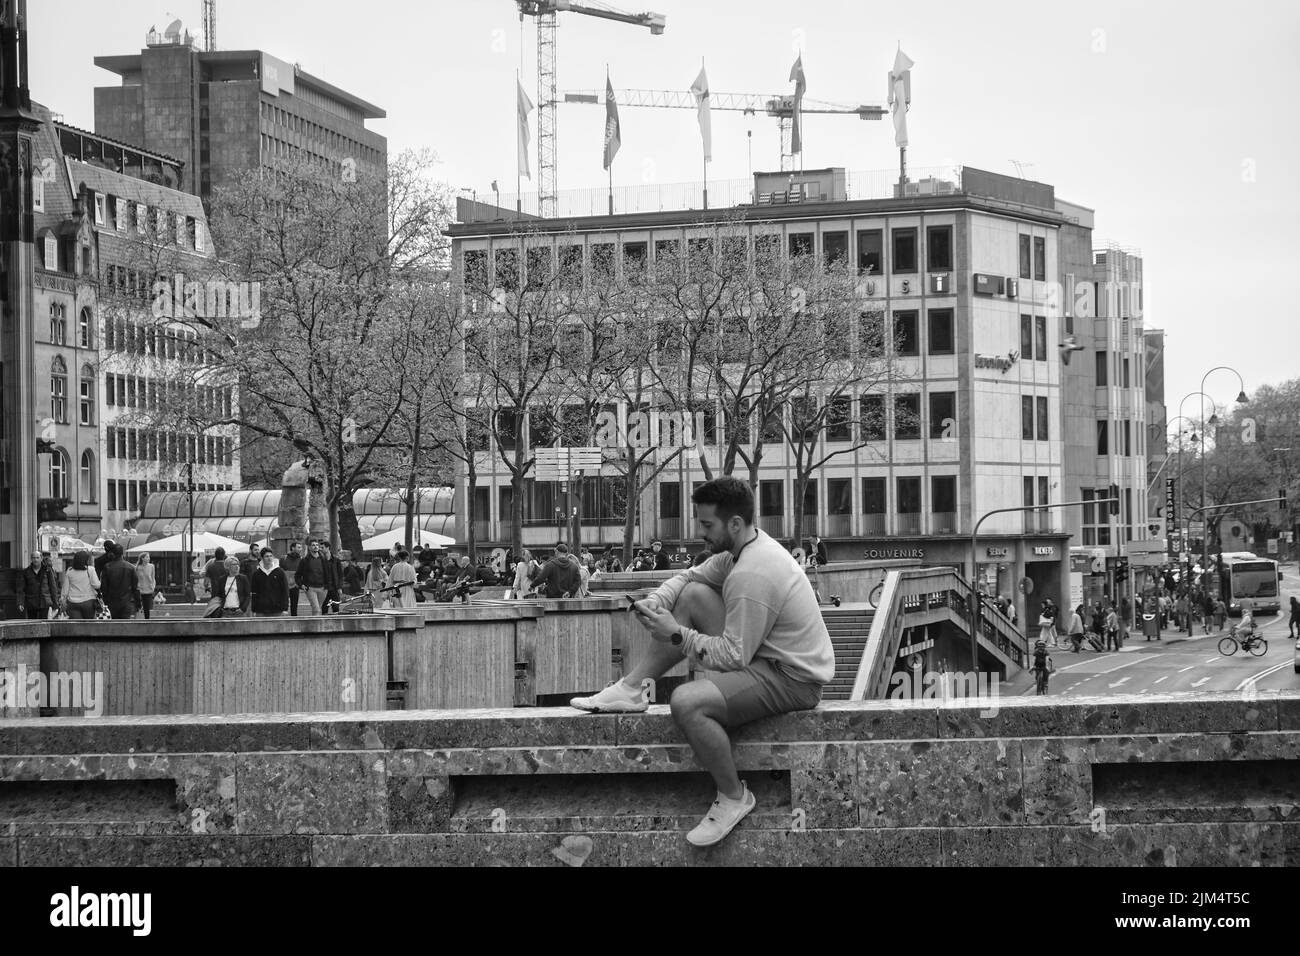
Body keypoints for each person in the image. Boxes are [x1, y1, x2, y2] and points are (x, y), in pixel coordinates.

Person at [570, 476, 834, 847]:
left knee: (686, 702)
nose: (701, 532)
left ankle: (733, 796)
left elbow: (732, 656)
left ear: (735, 524)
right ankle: (632, 689)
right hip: (767, 657)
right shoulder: (743, 550)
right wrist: (659, 600)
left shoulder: (752, 574)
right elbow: (691, 575)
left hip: (791, 677)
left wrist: (675, 633)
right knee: (693, 595)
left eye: (707, 525)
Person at [100, 543, 142, 620]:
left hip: (111, 602)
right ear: (122, 553)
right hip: (126, 602)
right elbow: (135, 588)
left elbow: (104, 587)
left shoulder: (107, 567)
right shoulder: (131, 567)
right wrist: (138, 603)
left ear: (112, 553)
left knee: (113, 626)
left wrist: (105, 601)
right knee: (125, 626)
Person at [60, 552, 101, 620]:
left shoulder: (70, 571)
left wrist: (62, 600)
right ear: (85, 560)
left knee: (77, 626)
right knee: (88, 625)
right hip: (88, 602)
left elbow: (65, 589)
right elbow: (96, 585)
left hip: (73, 603)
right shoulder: (90, 570)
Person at [18, 551, 58, 620]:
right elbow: (21, 589)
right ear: (31, 559)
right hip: (31, 602)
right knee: (32, 623)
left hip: (45, 602)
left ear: (41, 558)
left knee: (44, 623)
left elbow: (53, 587)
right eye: (33, 558)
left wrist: (55, 603)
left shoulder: (47, 570)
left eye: (37, 558)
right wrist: (20, 602)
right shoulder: (26, 572)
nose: (35, 560)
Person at [250, 548, 289, 616]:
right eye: (267, 556)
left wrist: (285, 608)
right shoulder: (256, 574)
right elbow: (254, 593)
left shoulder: (280, 572)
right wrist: (254, 609)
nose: (269, 558)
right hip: (260, 610)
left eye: (271, 556)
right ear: (262, 558)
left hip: (277, 610)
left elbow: (285, 591)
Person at [295, 540, 331, 615]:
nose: (315, 547)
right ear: (309, 547)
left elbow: (328, 573)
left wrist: (328, 585)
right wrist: (301, 585)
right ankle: (316, 626)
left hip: (323, 588)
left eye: (317, 545)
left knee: (318, 609)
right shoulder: (305, 560)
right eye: (313, 545)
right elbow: (298, 575)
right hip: (310, 588)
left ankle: (316, 624)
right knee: (316, 609)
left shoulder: (323, 559)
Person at [203, 548, 229, 617]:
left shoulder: (210, 566)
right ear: (224, 555)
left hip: (215, 594)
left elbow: (206, 583)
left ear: (215, 555)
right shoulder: (227, 567)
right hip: (227, 594)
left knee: (214, 614)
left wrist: (208, 588)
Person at [281, 543, 303, 616]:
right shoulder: (283, 558)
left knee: (294, 607)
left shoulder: (301, 559)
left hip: (295, 586)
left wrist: (299, 584)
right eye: (299, 547)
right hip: (284, 586)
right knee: (284, 606)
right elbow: (280, 572)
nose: (301, 549)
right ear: (293, 548)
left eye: (301, 547)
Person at [135, 552, 158, 619]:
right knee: (140, 605)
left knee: (147, 605)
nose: (149, 558)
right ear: (142, 558)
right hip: (140, 589)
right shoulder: (137, 567)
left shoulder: (151, 566)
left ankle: (147, 619)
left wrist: (153, 586)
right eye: (147, 557)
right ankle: (141, 618)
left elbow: (153, 577)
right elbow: (136, 578)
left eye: (149, 557)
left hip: (149, 589)